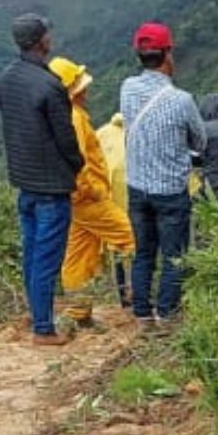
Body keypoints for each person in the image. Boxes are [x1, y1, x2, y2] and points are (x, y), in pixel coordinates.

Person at [0, 14, 82, 345]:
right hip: (51, 185)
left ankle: (37, 313)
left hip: (24, 181)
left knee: (32, 252)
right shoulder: (48, 84)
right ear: (41, 40)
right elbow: (65, 137)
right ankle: (43, 329)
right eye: (48, 33)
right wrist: (76, 165)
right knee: (47, 257)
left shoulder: (8, 78)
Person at [119, 22, 206, 326]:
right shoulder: (181, 100)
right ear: (168, 53)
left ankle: (142, 315)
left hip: (137, 187)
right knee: (174, 256)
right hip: (170, 190)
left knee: (144, 253)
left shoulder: (127, 88)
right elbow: (201, 140)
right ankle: (166, 315)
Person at [48, 58, 135, 325]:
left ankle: (78, 313)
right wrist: (93, 190)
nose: (85, 90)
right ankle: (145, 299)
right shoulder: (73, 117)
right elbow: (78, 161)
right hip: (88, 199)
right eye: (80, 85)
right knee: (132, 237)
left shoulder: (62, 114)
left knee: (79, 256)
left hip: (73, 200)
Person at [95, 113, 131, 306]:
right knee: (137, 246)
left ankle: (123, 296)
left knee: (116, 247)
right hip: (137, 202)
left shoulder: (101, 134)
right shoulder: (140, 131)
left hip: (110, 203)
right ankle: (138, 294)